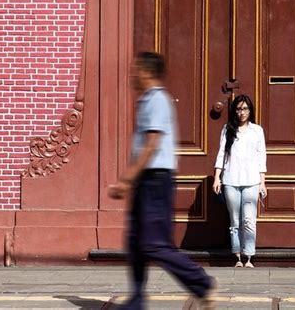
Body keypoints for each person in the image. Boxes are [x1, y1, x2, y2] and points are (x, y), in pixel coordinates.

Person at [108, 52, 216, 310]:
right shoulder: (147, 100)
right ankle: (137, 299)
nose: (132, 75)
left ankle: (200, 283)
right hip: (147, 181)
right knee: (135, 242)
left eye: (135, 70)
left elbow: (152, 143)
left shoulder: (158, 100)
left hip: (155, 180)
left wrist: (127, 178)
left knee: (154, 244)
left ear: (147, 72)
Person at [212, 94, 267, 268]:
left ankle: (249, 256)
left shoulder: (257, 130)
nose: (242, 113)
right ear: (234, 111)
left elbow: (261, 156)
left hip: (251, 180)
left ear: (250, 110)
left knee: (249, 220)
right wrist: (217, 178)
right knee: (235, 220)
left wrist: (262, 182)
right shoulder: (227, 129)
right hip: (231, 179)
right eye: (238, 109)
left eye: (245, 109)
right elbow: (222, 154)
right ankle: (237, 256)